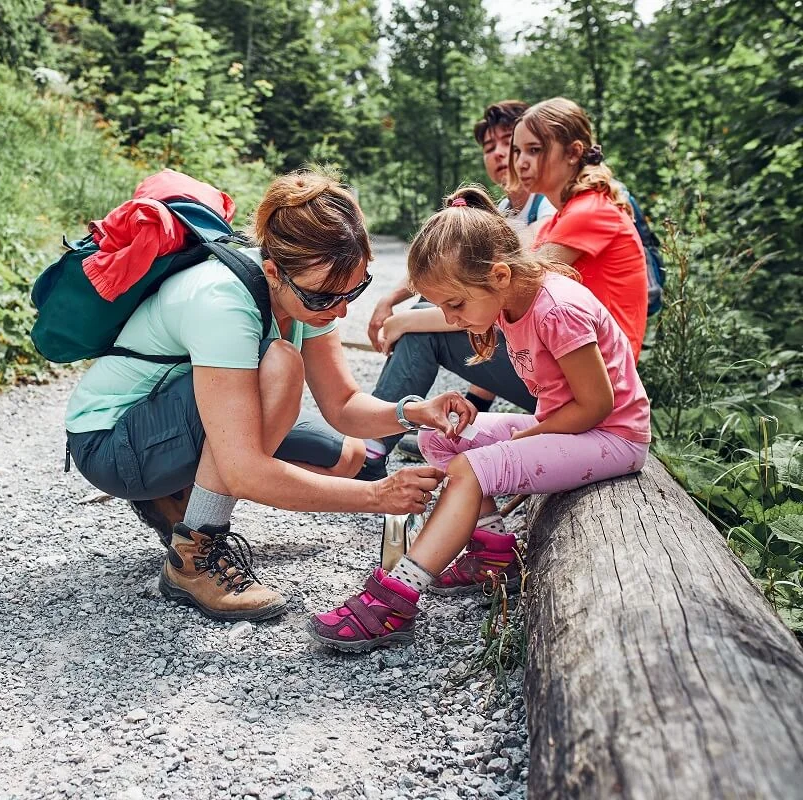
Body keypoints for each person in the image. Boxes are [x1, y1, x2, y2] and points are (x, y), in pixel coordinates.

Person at [65, 168, 476, 623]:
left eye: (354, 290)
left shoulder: (310, 291)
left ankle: (180, 489)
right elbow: (244, 472)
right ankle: (193, 554)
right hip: (112, 442)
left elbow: (342, 405)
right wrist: (378, 496)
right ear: (273, 271)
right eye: (325, 298)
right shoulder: (223, 301)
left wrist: (415, 412)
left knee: (347, 458)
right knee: (281, 365)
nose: (340, 310)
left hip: (170, 421)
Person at [309, 185, 651, 651]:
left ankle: (397, 595)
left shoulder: (558, 309)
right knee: (442, 436)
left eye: (455, 304)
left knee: (474, 466)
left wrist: (526, 437)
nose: (450, 317)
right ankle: (494, 555)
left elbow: (597, 405)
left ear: (500, 275)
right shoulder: (510, 303)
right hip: (573, 426)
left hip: (612, 438)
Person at [361, 101, 552, 476]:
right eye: (489, 147)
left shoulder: (548, 210)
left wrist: (403, 322)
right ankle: (380, 440)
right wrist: (391, 298)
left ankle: (370, 450)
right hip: (535, 361)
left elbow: (509, 301)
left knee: (420, 330)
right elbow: (455, 277)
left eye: (510, 144)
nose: (500, 154)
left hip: (568, 375)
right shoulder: (504, 209)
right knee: (433, 302)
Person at [513, 97, 648, 358]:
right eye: (517, 151)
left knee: (429, 336)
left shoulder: (589, 211)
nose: (521, 162)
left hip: (605, 373)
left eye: (535, 150)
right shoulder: (562, 217)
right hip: (578, 356)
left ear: (573, 153)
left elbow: (518, 288)